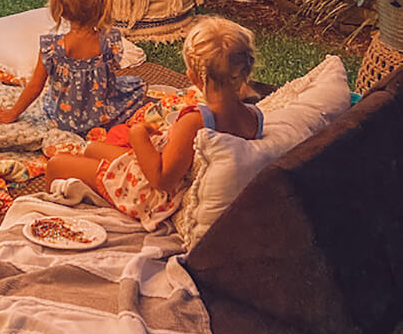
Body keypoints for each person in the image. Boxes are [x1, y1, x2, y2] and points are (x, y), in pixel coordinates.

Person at [45, 16, 264, 229]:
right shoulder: (254, 116)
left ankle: (47, 221)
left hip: (151, 195)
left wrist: (138, 135)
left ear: (194, 77)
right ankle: (94, 187)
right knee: (92, 148)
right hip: (164, 174)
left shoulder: (195, 121)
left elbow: (162, 181)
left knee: (57, 164)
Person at [0, 0, 146, 135]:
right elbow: (111, 71)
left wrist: (13, 113)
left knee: (49, 96)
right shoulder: (110, 40)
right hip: (101, 115)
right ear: (102, 7)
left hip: (63, 119)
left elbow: (35, 86)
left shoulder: (52, 48)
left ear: (62, 11)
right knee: (137, 85)